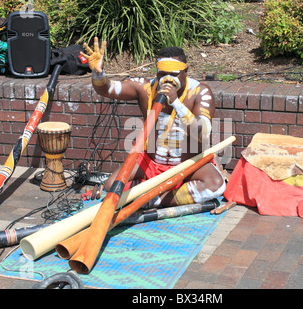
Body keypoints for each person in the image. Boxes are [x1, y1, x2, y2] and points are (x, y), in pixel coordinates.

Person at [81, 37, 226, 208]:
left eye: (173, 74)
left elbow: (203, 132)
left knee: (216, 186)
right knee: (111, 185)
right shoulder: (146, 88)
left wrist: (176, 104)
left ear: (186, 71)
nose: (167, 79)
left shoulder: (199, 92)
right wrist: (98, 73)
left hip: (186, 165)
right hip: (150, 162)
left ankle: (151, 199)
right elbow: (107, 89)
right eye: (162, 74)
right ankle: (163, 196)